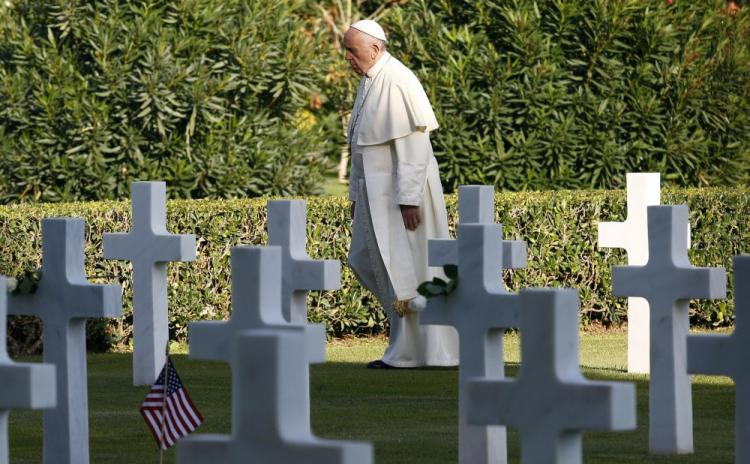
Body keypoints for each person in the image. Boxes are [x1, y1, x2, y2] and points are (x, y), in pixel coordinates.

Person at [344, 19, 459, 369]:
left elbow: (414, 145)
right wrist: (354, 198)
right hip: (376, 197)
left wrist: (409, 199)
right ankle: (407, 346)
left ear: (375, 48)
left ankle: (427, 351)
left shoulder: (398, 79)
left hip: (402, 198)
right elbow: (360, 148)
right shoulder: (370, 81)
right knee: (367, 260)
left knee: (415, 268)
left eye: (353, 50)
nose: (348, 57)